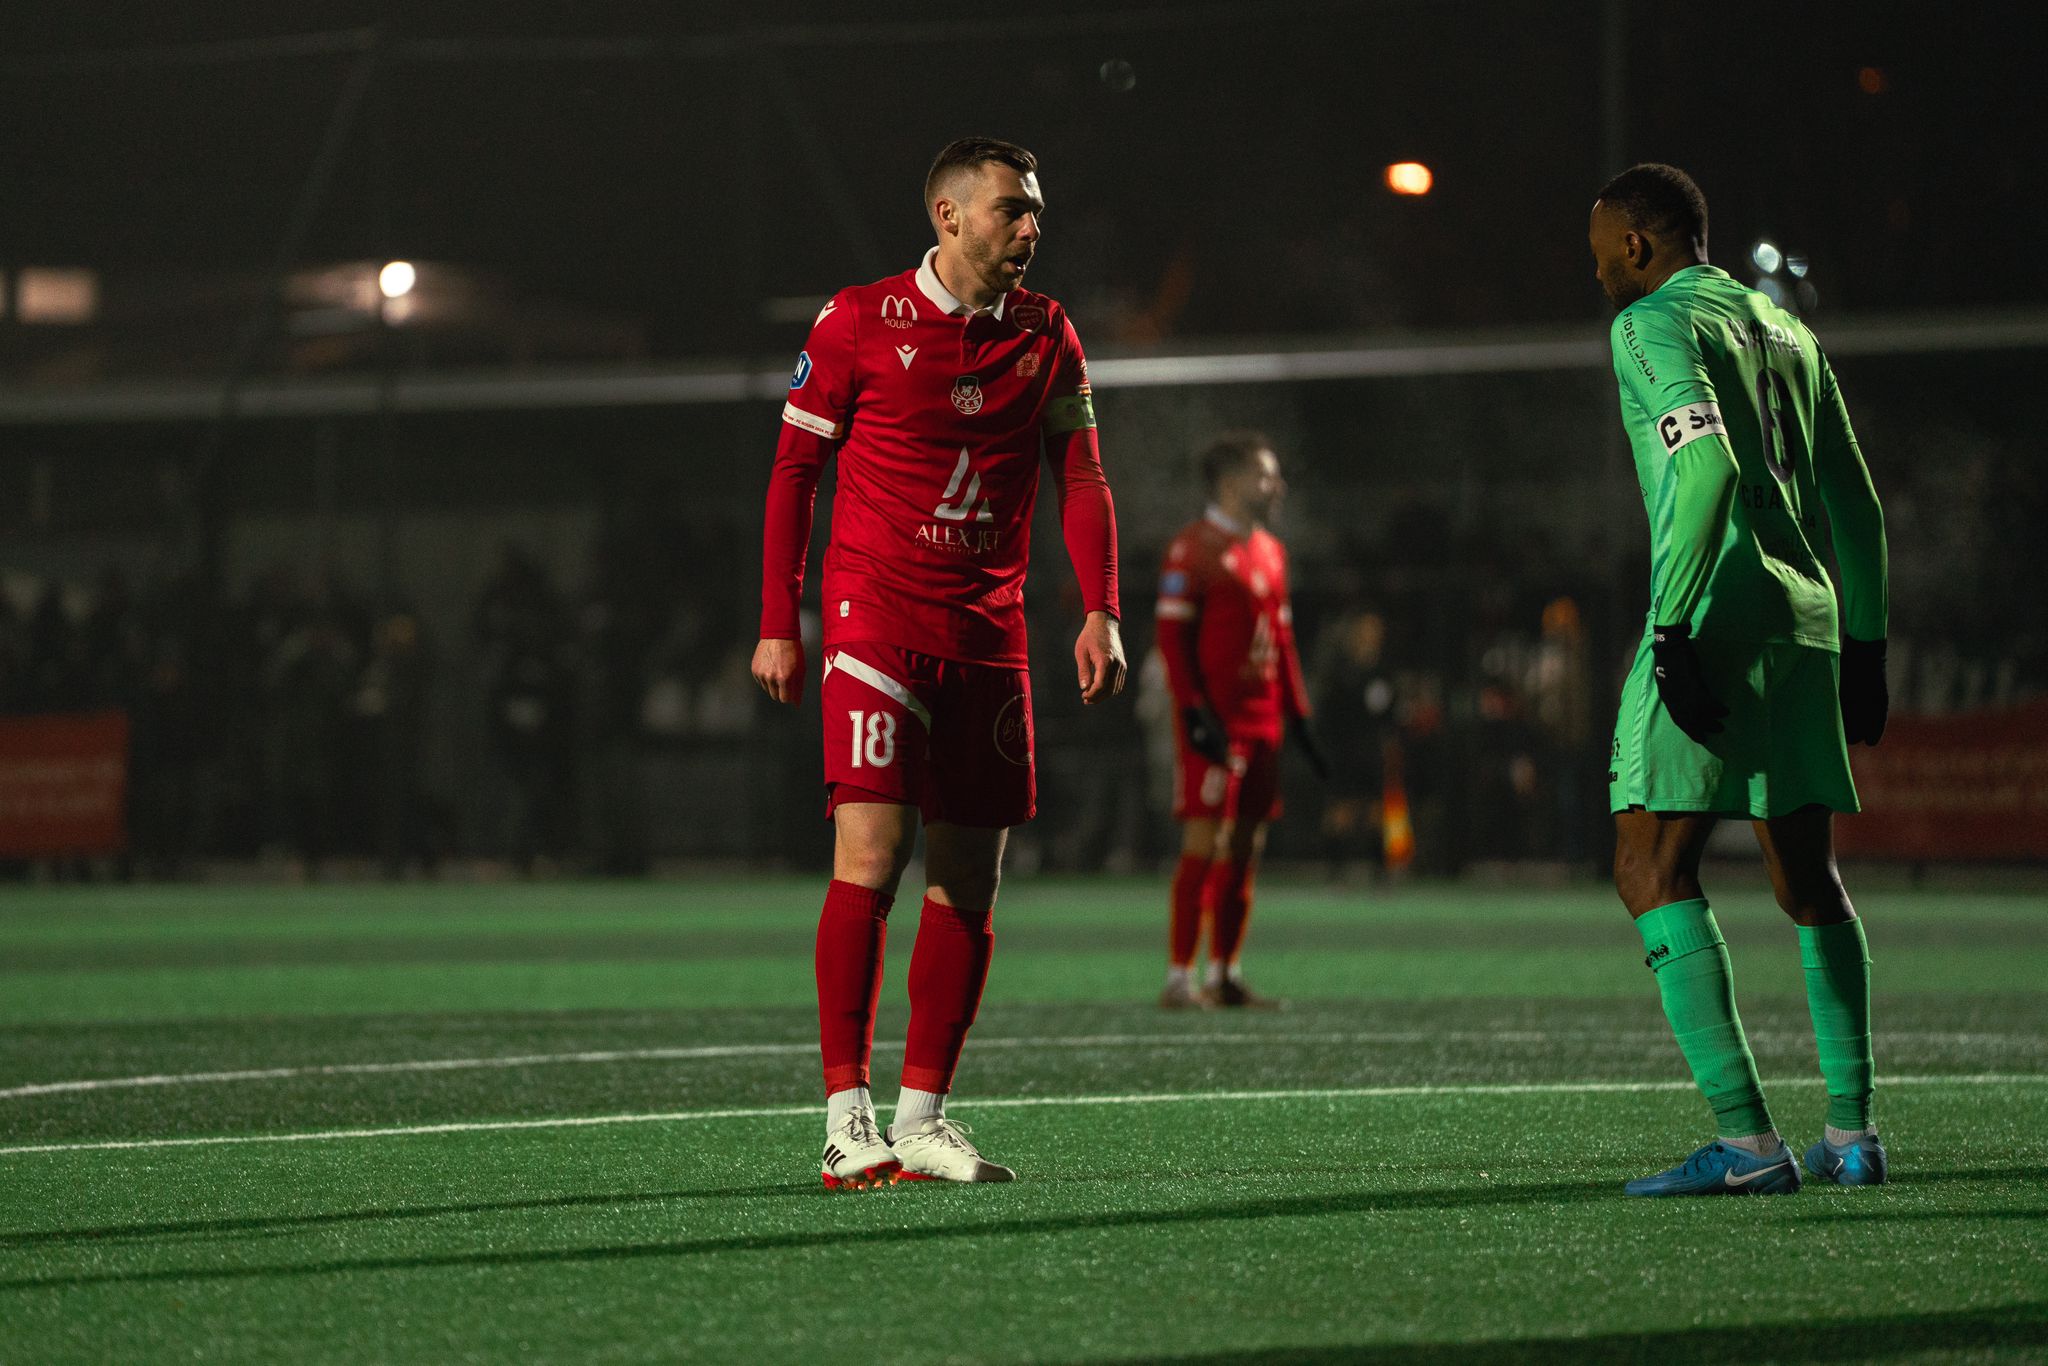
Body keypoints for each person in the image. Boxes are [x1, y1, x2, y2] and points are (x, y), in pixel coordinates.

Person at [754, 137, 1123, 1189]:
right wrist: (779, 618)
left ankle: (923, 1115)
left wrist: (1100, 608)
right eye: (1012, 209)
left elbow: (1082, 474)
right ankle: (844, 1115)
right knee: (870, 854)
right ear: (948, 217)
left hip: (988, 633)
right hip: (875, 619)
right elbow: (793, 470)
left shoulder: (1048, 333)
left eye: (1035, 211)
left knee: (969, 879)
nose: (1030, 228)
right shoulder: (857, 321)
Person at [1589, 164, 1890, 1196]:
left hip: (1711, 612)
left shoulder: (1645, 326)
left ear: (1638, 242)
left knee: (1647, 864)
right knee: (1806, 879)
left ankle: (1747, 1143)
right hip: (1805, 622)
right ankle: (1850, 1134)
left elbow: (1706, 468)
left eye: (1597, 247)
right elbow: (1855, 503)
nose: (1592, 268)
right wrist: (1867, 644)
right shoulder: (1788, 333)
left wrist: (1670, 627)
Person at [1153, 433, 1324, 1009]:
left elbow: (1283, 638)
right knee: (1208, 839)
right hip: (1215, 722)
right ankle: (1179, 978)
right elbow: (1173, 643)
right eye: (1266, 476)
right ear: (1231, 484)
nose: (1277, 486)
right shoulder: (1192, 549)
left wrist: (1298, 714)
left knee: (1248, 845)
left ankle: (1224, 973)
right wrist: (1194, 713)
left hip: (1263, 722)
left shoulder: (1272, 551)